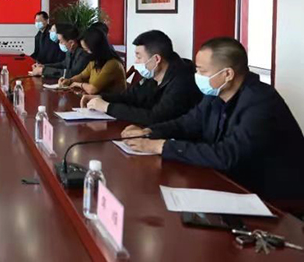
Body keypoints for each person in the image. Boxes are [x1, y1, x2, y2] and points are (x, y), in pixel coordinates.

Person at [123, 37, 304, 202]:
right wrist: (150, 132)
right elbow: (187, 123)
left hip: (271, 197)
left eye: (202, 71)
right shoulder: (215, 94)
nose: (196, 76)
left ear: (227, 74)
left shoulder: (260, 101)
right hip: (229, 182)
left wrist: (161, 146)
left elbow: (227, 155)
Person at [81, 30, 202, 125]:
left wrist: (108, 107)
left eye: (139, 57)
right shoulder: (153, 73)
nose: (136, 62)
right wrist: (101, 97)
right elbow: (130, 96)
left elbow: (156, 117)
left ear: (156, 59)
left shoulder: (182, 82)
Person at [59, 27, 126, 94]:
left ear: (96, 48)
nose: (85, 52)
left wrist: (78, 84)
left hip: (111, 100)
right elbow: (82, 76)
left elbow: (93, 89)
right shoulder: (95, 61)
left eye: (87, 49)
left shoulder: (112, 64)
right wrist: (69, 81)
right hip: (96, 98)